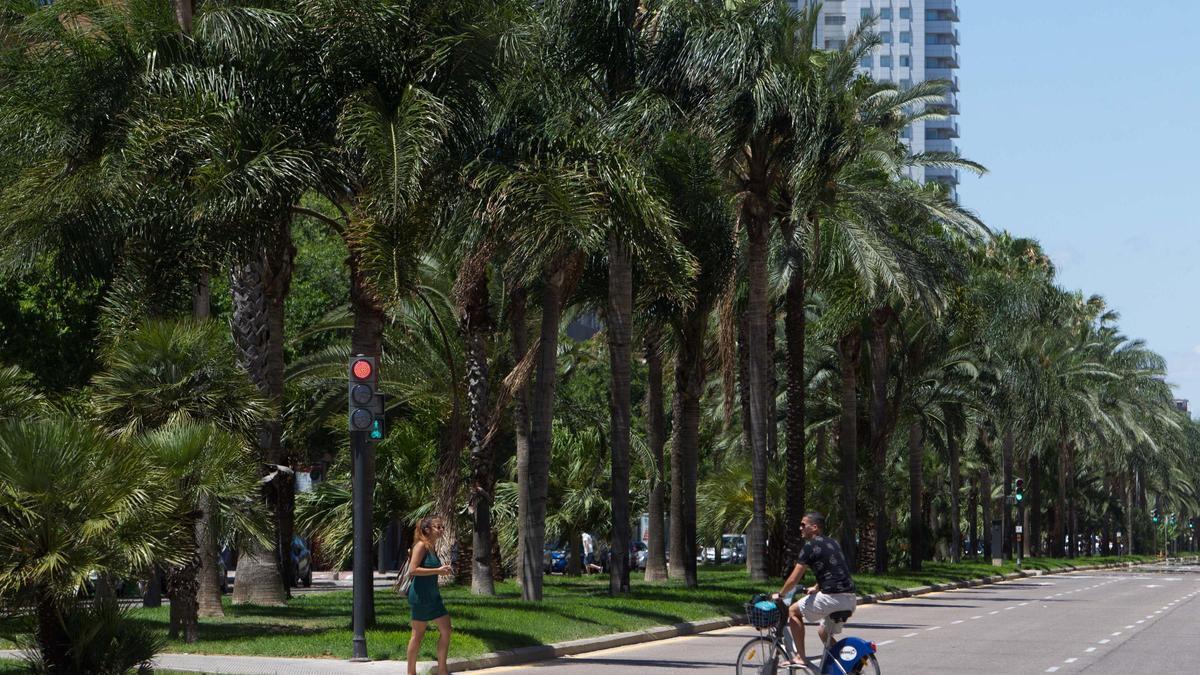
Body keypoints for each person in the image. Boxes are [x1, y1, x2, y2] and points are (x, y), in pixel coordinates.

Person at [774, 512, 857, 668]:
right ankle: (846, 666)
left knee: (793, 611)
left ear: (814, 527)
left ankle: (801, 657)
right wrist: (816, 587)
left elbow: (793, 579)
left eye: (803, 525)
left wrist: (780, 594)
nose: (800, 528)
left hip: (832, 598)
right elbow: (834, 568)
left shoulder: (809, 546)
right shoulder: (833, 542)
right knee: (823, 632)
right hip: (850, 599)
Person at [405, 516, 454, 675]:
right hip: (421, 595)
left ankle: (442, 670)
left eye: (442, 527)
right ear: (427, 529)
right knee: (417, 635)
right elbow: (412, 570)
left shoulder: (432, 547)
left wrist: (442, 570)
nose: (441, 530)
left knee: (446, 630)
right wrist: (437, 571)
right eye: (437, 527)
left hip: (434, 595)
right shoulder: (420, 546)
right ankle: (411, 672)